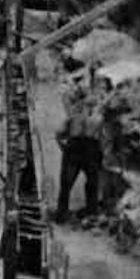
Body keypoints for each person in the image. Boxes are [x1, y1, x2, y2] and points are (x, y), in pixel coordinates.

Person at [55, 81, 103, 222]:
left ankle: (61, 214)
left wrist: (63, 148)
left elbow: (59, 133)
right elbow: (103, 139)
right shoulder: (98, 118)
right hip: (91, 147)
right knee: (92, 181)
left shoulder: (74, 116)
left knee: (66, 183)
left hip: (74, 147)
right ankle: (91, 212)